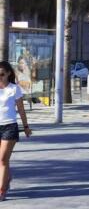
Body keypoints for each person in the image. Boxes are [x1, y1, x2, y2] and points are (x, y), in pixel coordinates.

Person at [0, 61, 32, 201]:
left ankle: (1, 190)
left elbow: (21, 109)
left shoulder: (14, 89)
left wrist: (26, 127)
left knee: (2, 159)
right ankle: (7, 177)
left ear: (8, 74)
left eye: (1, 74)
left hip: (9, 127)